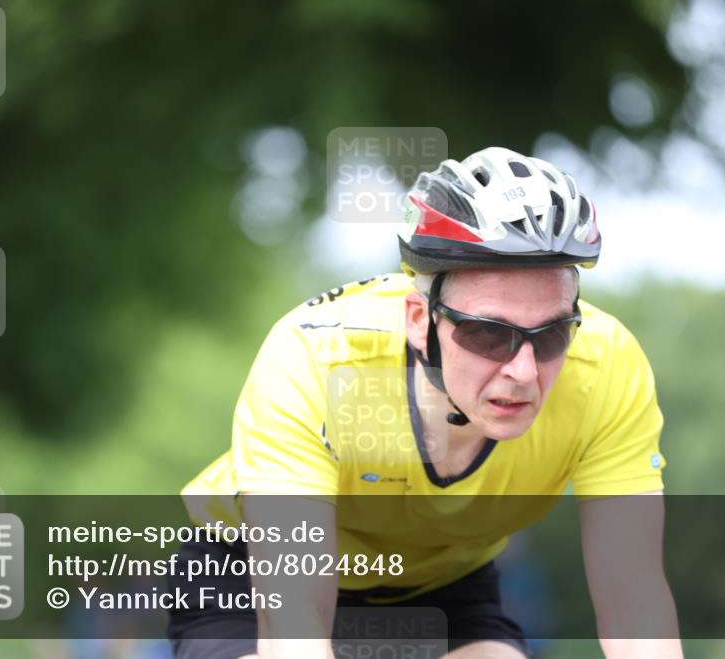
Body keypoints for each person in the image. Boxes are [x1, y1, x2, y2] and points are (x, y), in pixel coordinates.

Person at [169, 147, 684, 658]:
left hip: (442, 587)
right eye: (488, 334)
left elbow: (632, 599)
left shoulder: (607, 367)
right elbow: (296, 629)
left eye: (551, 336)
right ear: (420, 321)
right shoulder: (318, 359)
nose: (523, 370)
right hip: (247, 579)